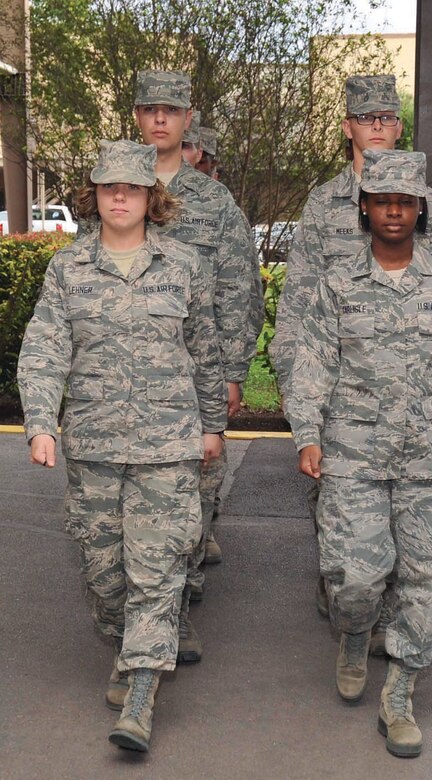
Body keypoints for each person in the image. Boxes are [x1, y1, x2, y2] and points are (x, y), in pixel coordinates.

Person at [17, 139, 227, 753]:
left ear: (149, 197)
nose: (119, 197)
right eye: (109, 187)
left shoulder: (185, 265)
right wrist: (39, 423)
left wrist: (213, 426)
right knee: (105, 574)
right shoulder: (69, 268)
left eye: (131, 188)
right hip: (96, 447)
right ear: (94, 196)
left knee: (157, 571)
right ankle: (124, 646)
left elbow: (206, 352)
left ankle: (140, 693)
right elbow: (45, 347)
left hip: (168, 447)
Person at [286, 149, 432, 758]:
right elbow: (312, 366)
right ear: (366, 208)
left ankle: (399, 694)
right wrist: (308, 435)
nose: (394, 211)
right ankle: (353, 636)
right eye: (383, 201)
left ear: (420, 208)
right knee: (355, 578)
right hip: (353, 456)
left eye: (405, 201)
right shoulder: (338, 284)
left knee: (425, 580)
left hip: (430, 455)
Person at [270, 74, 432, 647]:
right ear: (348, 126)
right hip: (338, 391)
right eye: (366, 118)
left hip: (407, 399)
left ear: (399, 127)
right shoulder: (324, 202)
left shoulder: (430, 204)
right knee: (338, 509)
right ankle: (347, 593)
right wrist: (294, 381)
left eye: (387, 118)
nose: (377, 127)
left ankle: (391, 620)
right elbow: (299, 295)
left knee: (412, 521)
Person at [134, 70, 264, 662]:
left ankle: (177, 609)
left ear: (189, 120)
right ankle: (147, 614)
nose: (161, 119)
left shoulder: (214, 202)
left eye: (172, 110)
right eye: (150, 108)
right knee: (128, 510)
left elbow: (240, 287)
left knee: (190, 501)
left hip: (196, 377)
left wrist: (234, 368)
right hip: (128, 378)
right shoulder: (116, 189)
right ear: (136, 117)